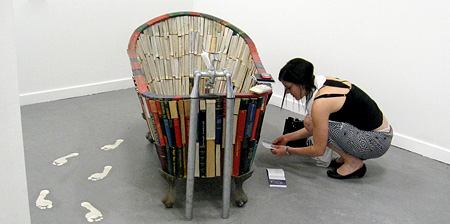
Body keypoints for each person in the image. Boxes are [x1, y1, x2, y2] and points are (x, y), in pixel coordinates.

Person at [271, 58, 393, 179]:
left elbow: (319, 149)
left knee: (310, 122)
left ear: (300, 83)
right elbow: (316, 128)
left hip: (375, 143)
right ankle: (348, 156)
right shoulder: (322, 83)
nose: (287, 92)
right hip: (379, 136)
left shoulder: (321, 103)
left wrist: (287, 150)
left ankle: (352, 162)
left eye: (288, 87)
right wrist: (287, 138)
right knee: (312, 122)